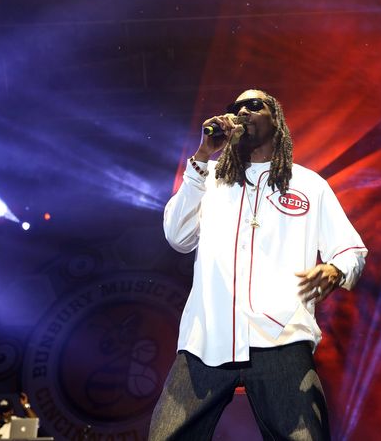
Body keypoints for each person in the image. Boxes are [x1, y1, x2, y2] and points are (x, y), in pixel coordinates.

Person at [150, 89, 367, 440]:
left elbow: (352, 250)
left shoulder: (309, 185)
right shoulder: (210, 179)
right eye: (235, 108)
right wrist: (204, 156)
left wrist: (336, 269)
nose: (243, 111)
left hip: (281, 339)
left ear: (276, 120)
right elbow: (177, 236)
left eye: (254, 105)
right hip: (206, 338)